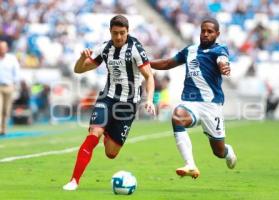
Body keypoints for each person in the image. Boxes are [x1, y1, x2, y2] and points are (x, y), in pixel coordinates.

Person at [63, 15, 155, 190]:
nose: (119, 37)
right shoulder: (105, 48)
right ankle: (74, 180)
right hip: (108, 98)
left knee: (111, 153)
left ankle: (107, 133)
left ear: (128, 32)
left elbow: (149, 76)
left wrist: (149, 100)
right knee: (93, 134)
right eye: (115, 33)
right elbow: (78, 69)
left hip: (128, 104)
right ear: (110, 32)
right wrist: (82, 58)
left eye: (122, 33)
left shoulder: (135, 48)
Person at [150, 17, 237, 179]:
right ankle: (190, 164)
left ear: (217, 34)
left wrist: (224, 66)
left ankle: (228, 151)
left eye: (209, 32)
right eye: (203, 31)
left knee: (218, 151)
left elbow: (222, 60)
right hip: (190, 103)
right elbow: (168, 63)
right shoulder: (189, 50)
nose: (205, 34)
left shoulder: (220, 50)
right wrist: (145, 64)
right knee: (177, 117)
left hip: (211, 106)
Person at [0, 40, 21, 135]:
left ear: (7, 48)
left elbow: (16, 73)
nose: (2, 49)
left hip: (8, 86)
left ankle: (4, 129)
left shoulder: (11, 59)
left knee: (6, 110)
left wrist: (15, 85)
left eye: (4, 47)